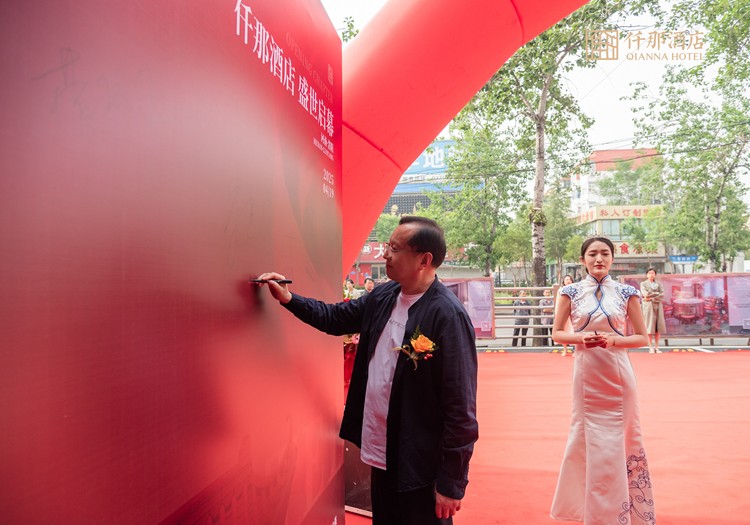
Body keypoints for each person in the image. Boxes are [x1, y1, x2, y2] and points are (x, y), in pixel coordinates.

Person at [256, 216, 478, 524]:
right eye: (388, 246)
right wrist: (289, 299)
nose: (385, 254)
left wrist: (452, 483)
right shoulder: (384, 296)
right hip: (381, 449)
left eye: (394, 249)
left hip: (420, 462)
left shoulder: (447, 316)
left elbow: (460, 408)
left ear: (424, 260)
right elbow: (335, 318)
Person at [549, 237, 654, 525]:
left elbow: (642, 338)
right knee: (587, 439)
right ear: (582, 259)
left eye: (605, 253)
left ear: (612, 258)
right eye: (593, 254)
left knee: (624, 438)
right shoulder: (569, 292)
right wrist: (581, 338)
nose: (599, 259)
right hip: (586, 374)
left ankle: (626, 511)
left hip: (619, 374)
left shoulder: (627, 292)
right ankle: (590, 510)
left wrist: (614, 341)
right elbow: (557, 333)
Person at [640, 268, 666, 354]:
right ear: (647, 274)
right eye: (649, 273)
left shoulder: (658, 284)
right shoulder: (643, 284)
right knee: (649, 326)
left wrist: (652, 298)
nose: (651, 275)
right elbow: (645, 294)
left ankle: (657, 347)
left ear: (655, 274)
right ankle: (650, 347)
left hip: (658, 305)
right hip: (648, 306)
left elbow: (662, 294)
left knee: (658, 327)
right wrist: (656, 294)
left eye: (653, 273)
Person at [557, 274, 575, 357]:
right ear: (563, 281)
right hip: (564, 313)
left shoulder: (575, 289)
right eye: (567, 279)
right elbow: (558, 302)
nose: (568, 281)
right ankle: (565, 349)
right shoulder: (561, 290)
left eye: (570, 279)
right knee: (564, 330)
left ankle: (575, 350)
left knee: (574, 331)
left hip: (573, 312)